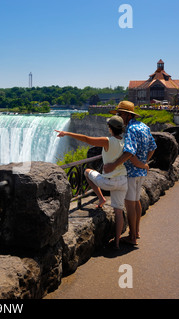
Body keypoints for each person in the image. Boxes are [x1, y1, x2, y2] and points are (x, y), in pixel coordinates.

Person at [56, 115, 131, 249]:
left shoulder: (108, 141)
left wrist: (66, 133)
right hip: (123, 181)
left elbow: (86, 139)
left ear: (110, 128)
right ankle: (117, 242)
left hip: (108, 181)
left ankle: (101, 198)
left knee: (87, 172)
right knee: (118, 212)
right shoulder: (125, 140)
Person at [104, 101, 157, 246]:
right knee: (136, 201)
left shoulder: (130, 130)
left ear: (127, 115)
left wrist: (114, 165)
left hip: (132, 173)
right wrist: (144, 162)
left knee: (130, 204)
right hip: (140, 173)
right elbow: (153, 147)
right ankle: (137, 232)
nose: (118, 116)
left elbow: (129, 152)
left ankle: (132, 237)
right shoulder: (143, 126)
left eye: (119, 114)